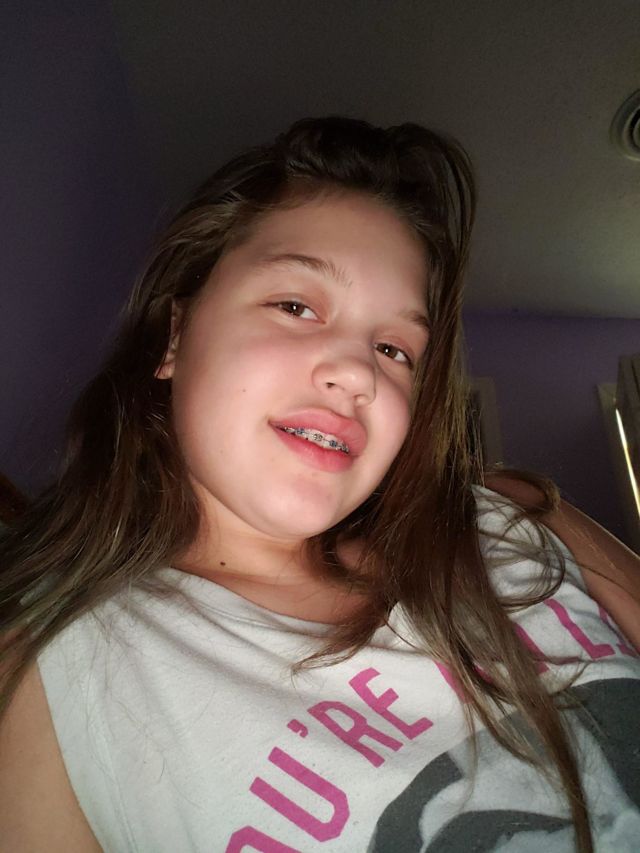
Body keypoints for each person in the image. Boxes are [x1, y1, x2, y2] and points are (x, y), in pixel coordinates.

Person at [0, 117, 639, 853]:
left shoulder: (514, 516)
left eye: (394, 349)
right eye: (296, 306)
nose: (359, 373)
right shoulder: (50, 680)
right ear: (176, 335)